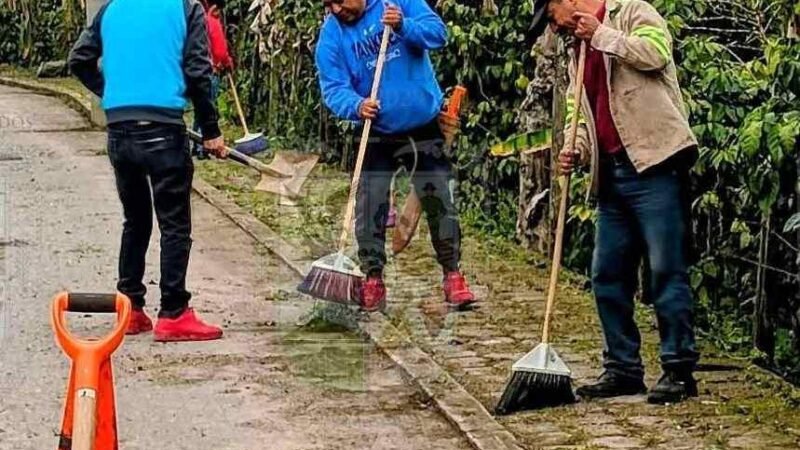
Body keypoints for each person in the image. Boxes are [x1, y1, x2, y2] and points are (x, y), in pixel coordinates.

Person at [548, 0, 700, 404]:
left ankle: (679, 370)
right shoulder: (574, 55)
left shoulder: (633, 12)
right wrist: (575, 148)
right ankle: (623, 369)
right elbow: (579, 115)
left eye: (551, 15)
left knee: (666, 269)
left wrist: (601, 36)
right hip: (612, 176)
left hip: (655, 163)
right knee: (607, 274)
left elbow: (656, 54)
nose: (553, 26)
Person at [68, 0, 227, 341]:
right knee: (174, 223)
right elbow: (199, 72)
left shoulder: (112, 9)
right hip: (163, 129)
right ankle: (173, 312)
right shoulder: (185, 8)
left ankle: (131, 308)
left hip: (120, 130)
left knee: (136, 219)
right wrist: (211, 131)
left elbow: (78, 60)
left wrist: (110, 91)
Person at [315, 0, 477, 312]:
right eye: (328, 4)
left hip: (423, 123)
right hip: (376, 129)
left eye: (339, 0)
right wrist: (356, 105)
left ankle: (453, 274)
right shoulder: (331, 36)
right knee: (370, 203)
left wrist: (404, 26)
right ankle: (373, 278)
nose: (336, 9)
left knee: (439, 199)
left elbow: (438, 34)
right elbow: (334, 88)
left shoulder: (398, 2)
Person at [192, 0, 234, 159]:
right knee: (208, 108)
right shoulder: (213, 22)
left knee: (199, 110)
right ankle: (203, 148)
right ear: (215, 8)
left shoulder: (200, 20)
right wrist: (227, 62)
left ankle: (196, 145)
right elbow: (220, 50)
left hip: (203, 69)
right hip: (212, 71)